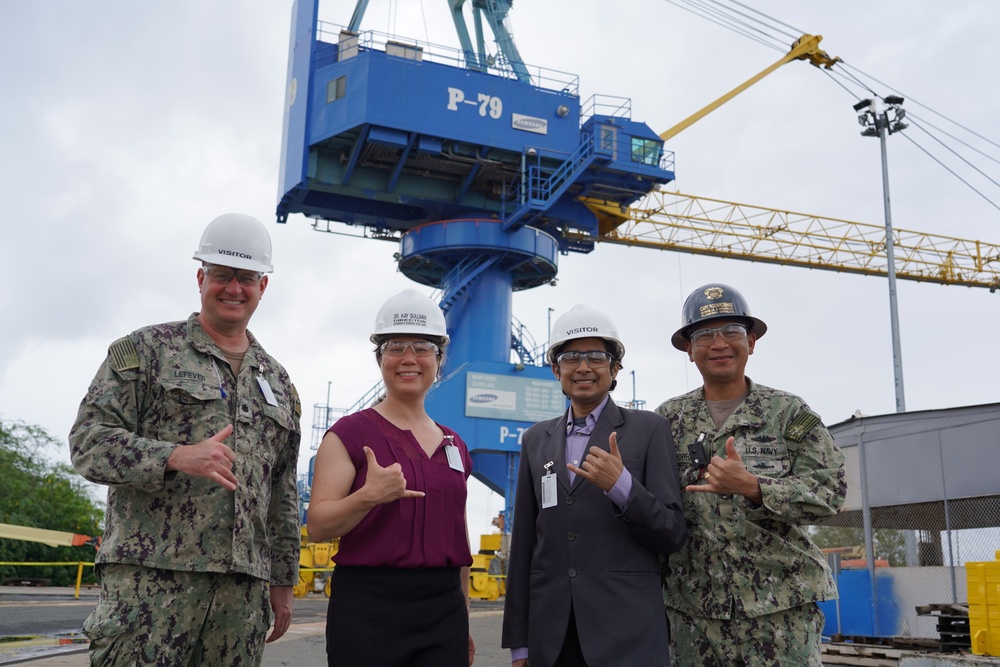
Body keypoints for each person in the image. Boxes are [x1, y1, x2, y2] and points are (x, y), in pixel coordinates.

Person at [68, 213, 302, 666]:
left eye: (247, 278)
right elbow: (88, 443)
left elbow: (283, 492)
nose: (234, 288)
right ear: (201, 278)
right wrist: (174, 455)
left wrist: (282, 581)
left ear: (263, 287)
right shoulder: (147, 351)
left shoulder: (278, 380)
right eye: (221, 275)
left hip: (240, 596)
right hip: (149, 589)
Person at [655, 283, 847, 667]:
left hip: (780, 611)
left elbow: (830, 491)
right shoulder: (666, 420)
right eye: (704, 334)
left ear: (752, 342)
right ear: (689, 351)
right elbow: (652, 510)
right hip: (695, 614)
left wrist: (757, 488)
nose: (719, 344)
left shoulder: (789, 413)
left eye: (732, 332)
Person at [502, 304, 688, 667]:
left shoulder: (650, 430)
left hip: (627, 635)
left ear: (614, 368)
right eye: (571, 357)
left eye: (596, 357)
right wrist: (520, 644)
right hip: (552, 637)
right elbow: (524, 544)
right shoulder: (535, 439)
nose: (583, 367)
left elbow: (673, 533)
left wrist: (622, 486)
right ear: (556, 370)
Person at [307, 289, 475, 667]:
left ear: (439, 358)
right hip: (369, 607)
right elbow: (317, 525)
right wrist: (367, 496)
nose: (409, 359)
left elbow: (459, 538)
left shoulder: (456, 445)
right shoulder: (349, 434)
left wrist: (462, 619)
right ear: (380, 358)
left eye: (422, 347)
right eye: (395, 347)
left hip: (444, 608)